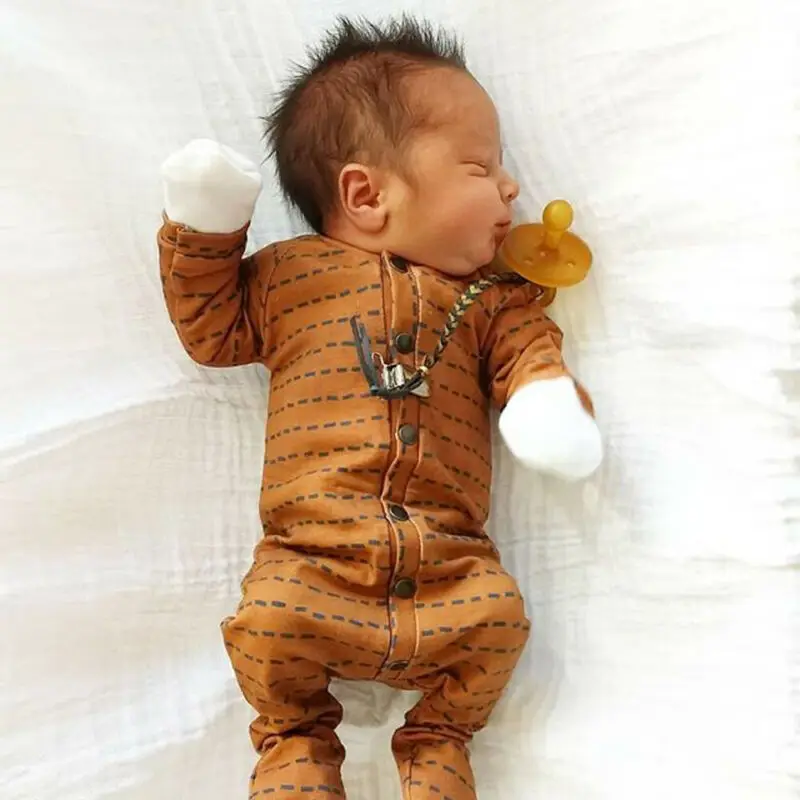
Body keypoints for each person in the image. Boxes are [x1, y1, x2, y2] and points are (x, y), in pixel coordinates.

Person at [157, 14, 602, 799]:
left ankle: (439, 739)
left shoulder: (489, 299)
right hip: (312, 557)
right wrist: (205, 226)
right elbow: (213, 327)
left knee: (500, 617)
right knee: (268, 620)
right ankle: (295, 740)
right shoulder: (290, 277)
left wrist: (544, 402)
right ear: (366, 194)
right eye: (481, 166)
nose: (511, 187)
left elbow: (529, 351)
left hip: (449, 564)